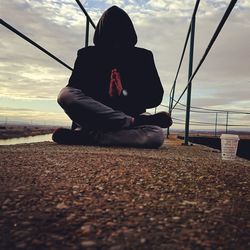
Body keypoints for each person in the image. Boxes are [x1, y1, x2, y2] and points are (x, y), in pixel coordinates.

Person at [52, 6, 172, 148]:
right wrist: (106, 95)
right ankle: (132, 122)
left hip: (126, 114)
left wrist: (123, 94)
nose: (116, 42)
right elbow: (75, 93)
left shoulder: (142, 57)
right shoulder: (88, 55)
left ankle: (87, 137)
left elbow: (155, 96)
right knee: (65, 95)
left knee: (156, 136)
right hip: (97, 119)